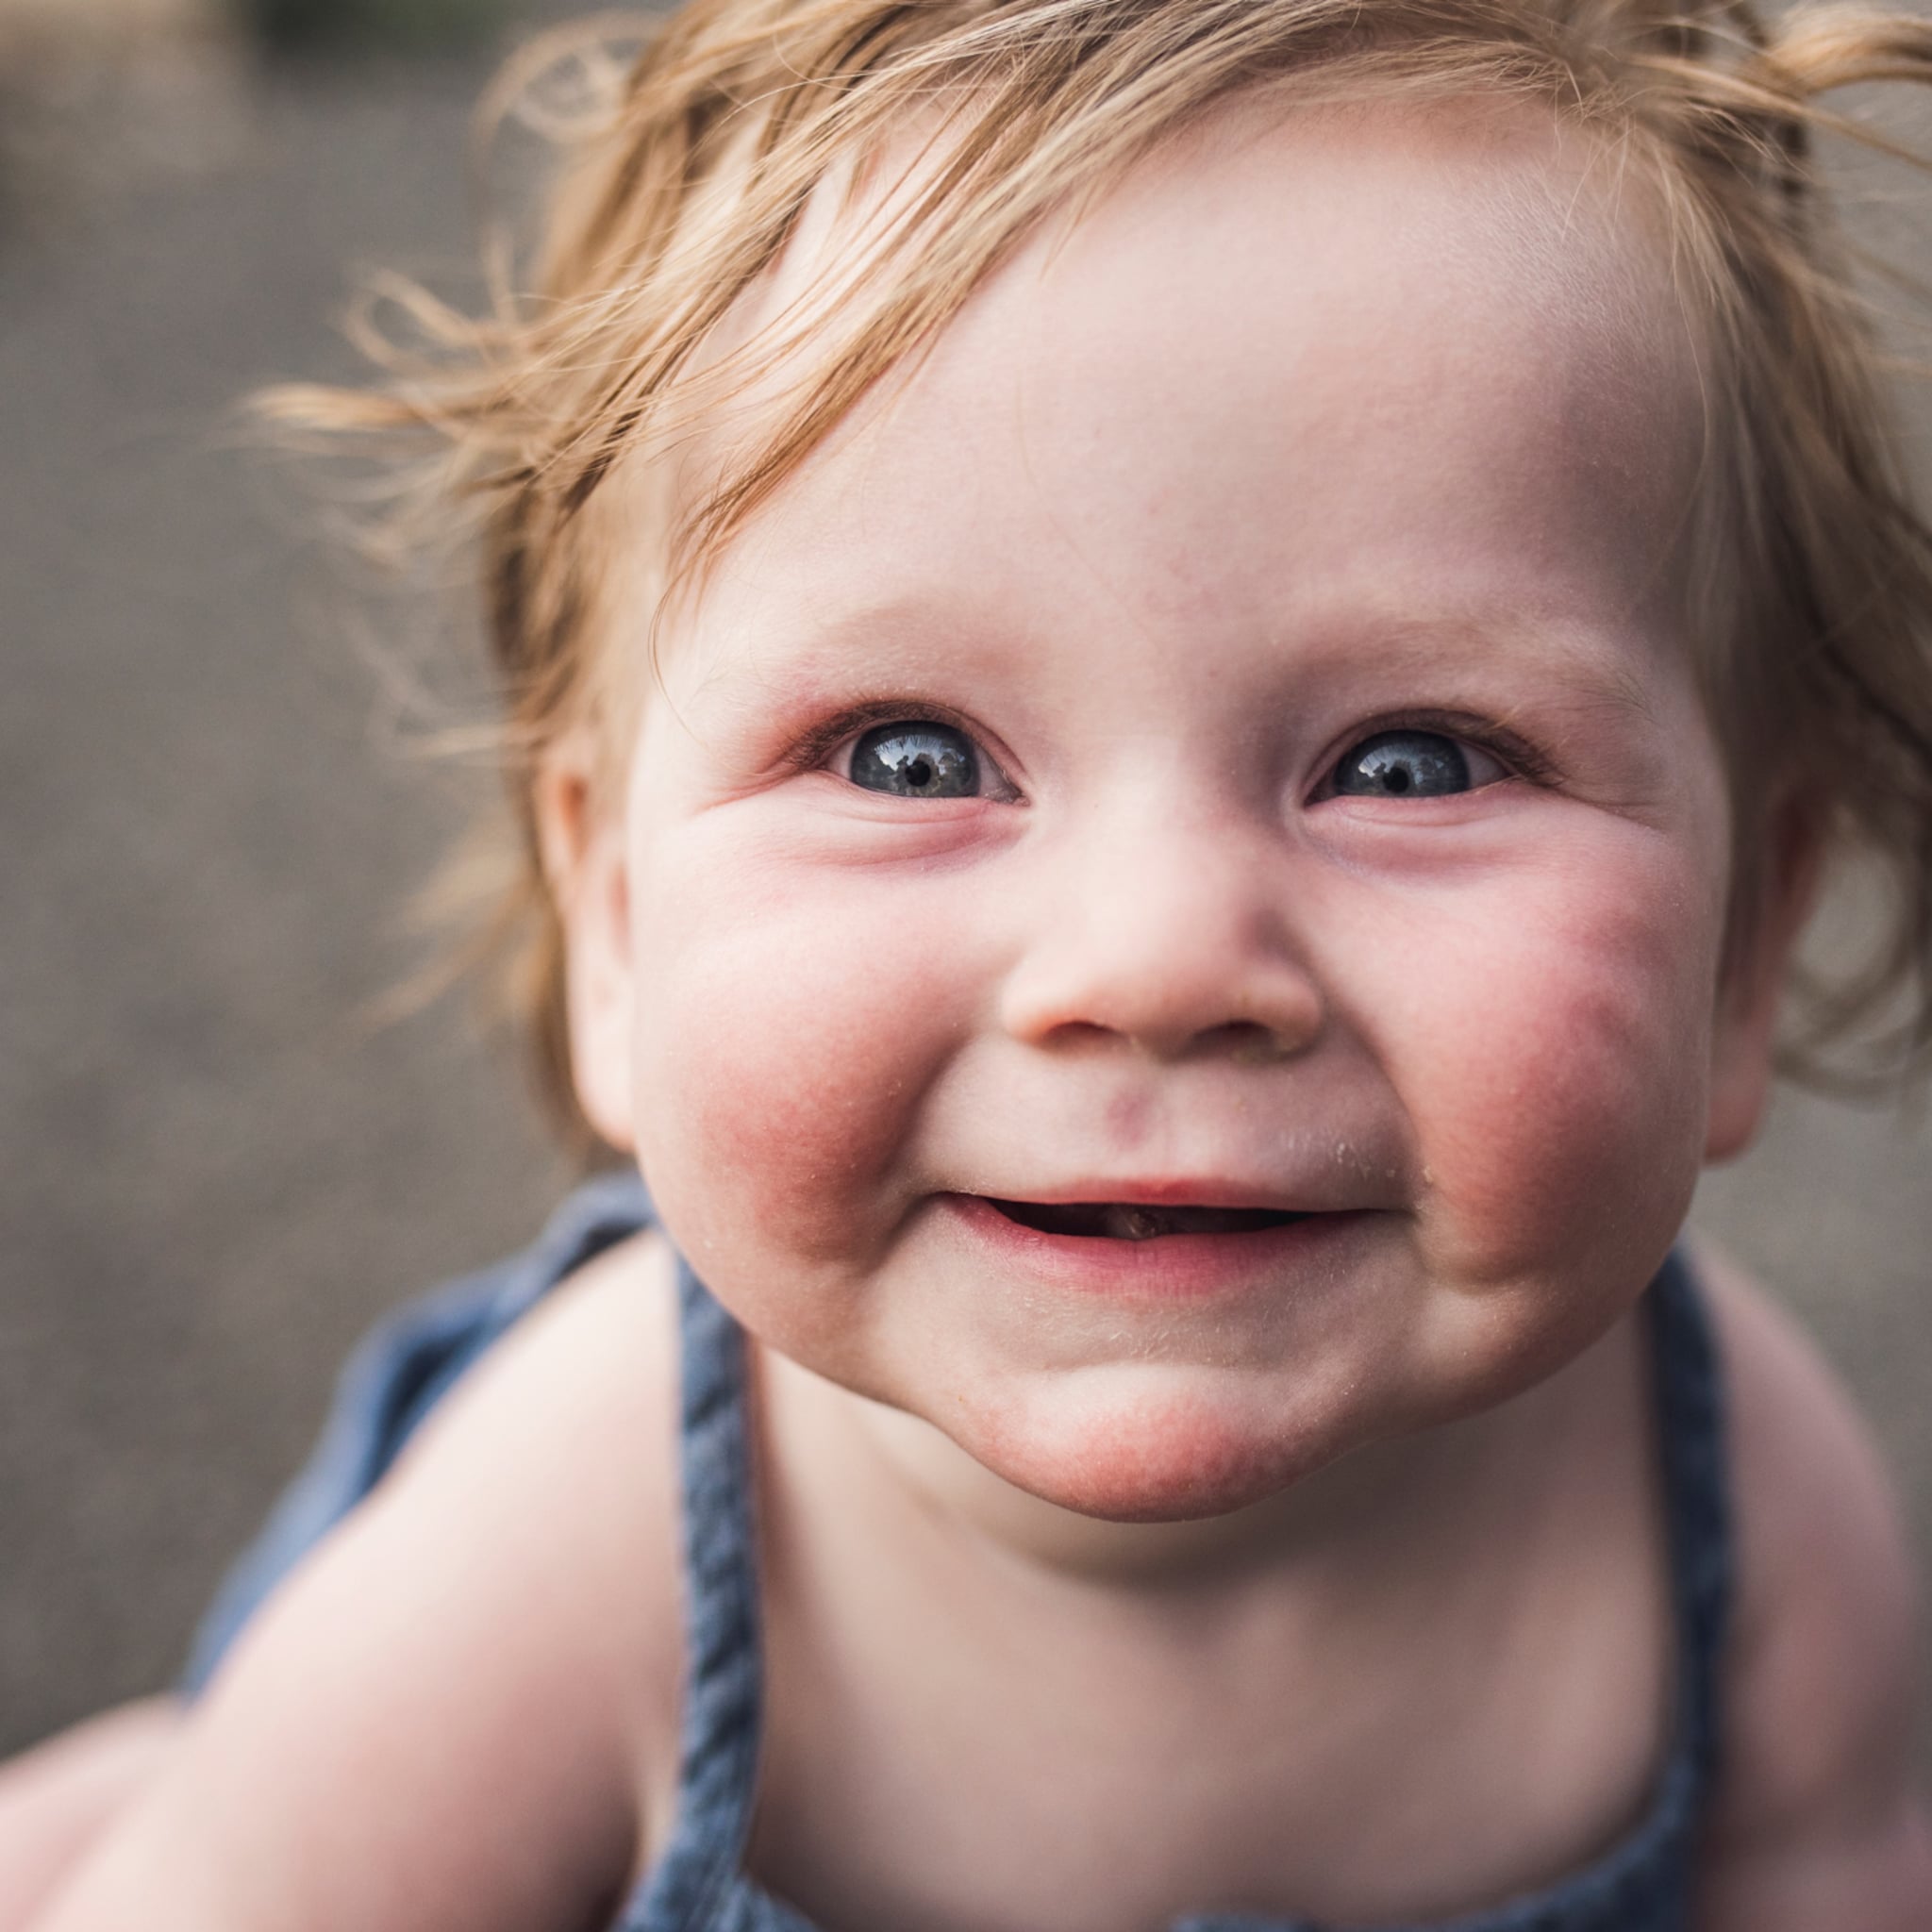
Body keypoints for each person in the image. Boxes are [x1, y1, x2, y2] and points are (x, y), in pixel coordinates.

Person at [9, 0, 1932, 1923]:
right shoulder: (541, 1576)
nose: (1159, 958)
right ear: (611, 925)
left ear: (1742, 947)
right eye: (910, 756)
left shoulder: (1738, 1509)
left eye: (1410, 761)